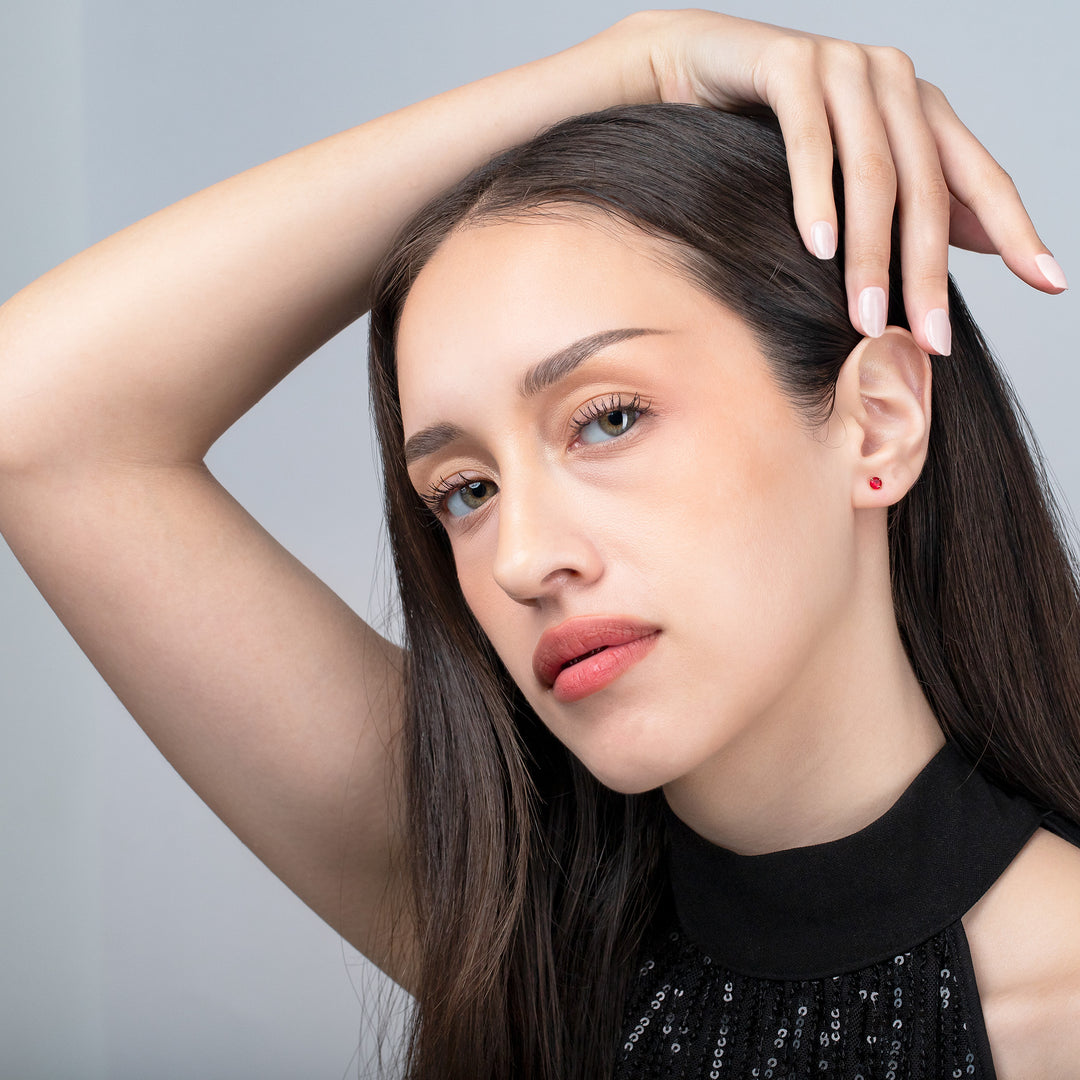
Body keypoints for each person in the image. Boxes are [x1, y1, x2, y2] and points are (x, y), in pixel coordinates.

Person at [0, 9, 1075, 1079]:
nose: (520, 560)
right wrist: (625, 66)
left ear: (877, 423)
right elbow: (34, 419)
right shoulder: (515, 931)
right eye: (464, 489)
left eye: (606, 418)